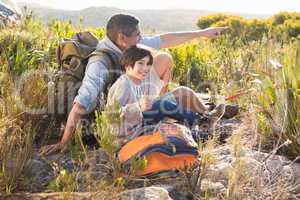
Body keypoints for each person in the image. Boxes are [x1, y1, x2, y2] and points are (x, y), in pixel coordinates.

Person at [39, 13, 226, 156]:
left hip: (133, 107)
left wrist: (202, 33)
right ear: (122, 38)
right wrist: (64, 142)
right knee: (165, 104)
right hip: (117, 125)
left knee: (180, 88)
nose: (141, 37)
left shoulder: (127, 45)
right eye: (137, 34)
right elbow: (81, 103)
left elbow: (164, 40)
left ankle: (207, 118)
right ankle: (203, 125)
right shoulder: (99, 64)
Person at [107, 45, 225, 145]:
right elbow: (113, 116)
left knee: (174, 98)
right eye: (141, 63)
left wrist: (164, 84)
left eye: (148, 64)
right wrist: (138, 106)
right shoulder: (124, 85)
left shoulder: (139, 81)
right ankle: (204, 126)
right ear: (128, 66)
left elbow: (152, 101)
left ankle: (205, 123)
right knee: (162, 106)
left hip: (140, 123)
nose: (146, 68)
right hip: (128, 134)